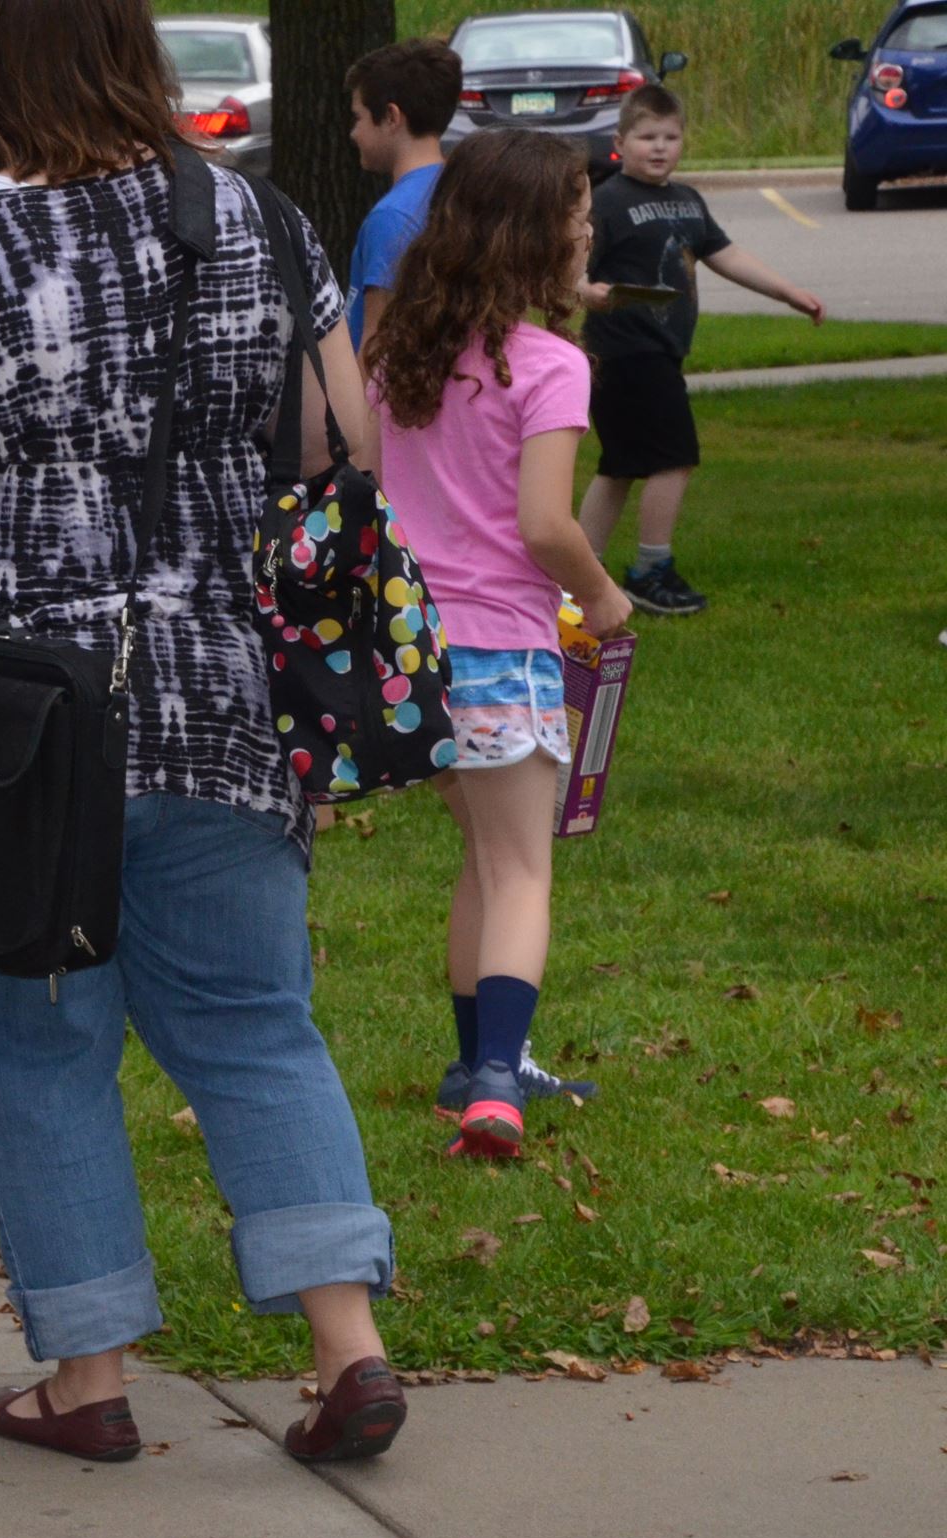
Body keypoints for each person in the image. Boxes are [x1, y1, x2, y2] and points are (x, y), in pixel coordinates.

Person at [0, 0, 407, 1466]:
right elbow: (327, 446)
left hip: (6, 731)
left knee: (38, 1053)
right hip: (221, 701)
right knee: (251, 1028)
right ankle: (347, 1345)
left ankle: (88, 1374)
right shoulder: (261, 218)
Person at [364, 130, 634, 1157]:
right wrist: (603, 597)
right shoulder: (550, 366)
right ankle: (496, 1084)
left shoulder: (397, 358)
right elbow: (542, 526)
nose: (585, 233)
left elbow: (384, 498)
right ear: (532, 237)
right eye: (575, 217)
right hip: (503, 654)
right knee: (523, 870)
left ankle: (469, 1066)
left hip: (412, 653)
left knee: (480, 862)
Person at [577, 83, 824, 618]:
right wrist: (584, 292)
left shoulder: (688, 200)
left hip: (662, 351)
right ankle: (649, 569)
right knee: (675, 458)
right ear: (621, 141)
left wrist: (788, 292)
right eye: (647, 137)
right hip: (623, 353)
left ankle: (577, 574)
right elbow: (566, 269)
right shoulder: (608, 202)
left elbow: (725, 254)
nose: (660, 147)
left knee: (620, 464)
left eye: (670, 136)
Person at [342, 37, 458, 351]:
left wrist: (352, 402)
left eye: (359, 118)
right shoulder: (459, 189)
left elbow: (376, 344)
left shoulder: (392, 217)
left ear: (392, 117)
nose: (354, 133)